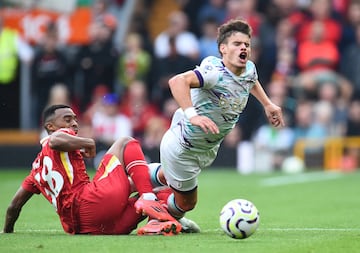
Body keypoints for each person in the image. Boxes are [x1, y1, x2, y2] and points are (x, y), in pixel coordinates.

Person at [149, 19, 285, 220]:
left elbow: (251, 80)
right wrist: (192, 115)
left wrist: (267, 104)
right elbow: (177, 81)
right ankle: (154, 210)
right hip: (184, 147)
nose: (244, 48)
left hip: (206, 147)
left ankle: (136, 175)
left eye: (246, 44)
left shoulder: (248, 68)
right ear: (223, 48)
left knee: (167, 177)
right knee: (187, 203)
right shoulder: (214, 74)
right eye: (237, 44)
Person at [2, 104, 182, 236]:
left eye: (74, 119)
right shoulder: (58, 137)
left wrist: (6, 231)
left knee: (162, 192)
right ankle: (150, 200)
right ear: (50, 127)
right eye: (67, 119)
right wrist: (88, 142)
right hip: (90, 202)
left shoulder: (35, 172)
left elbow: (13, 206)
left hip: (88, 228)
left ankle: (158, 222)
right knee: (125, 142)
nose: (73, 123)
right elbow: (55, 141)